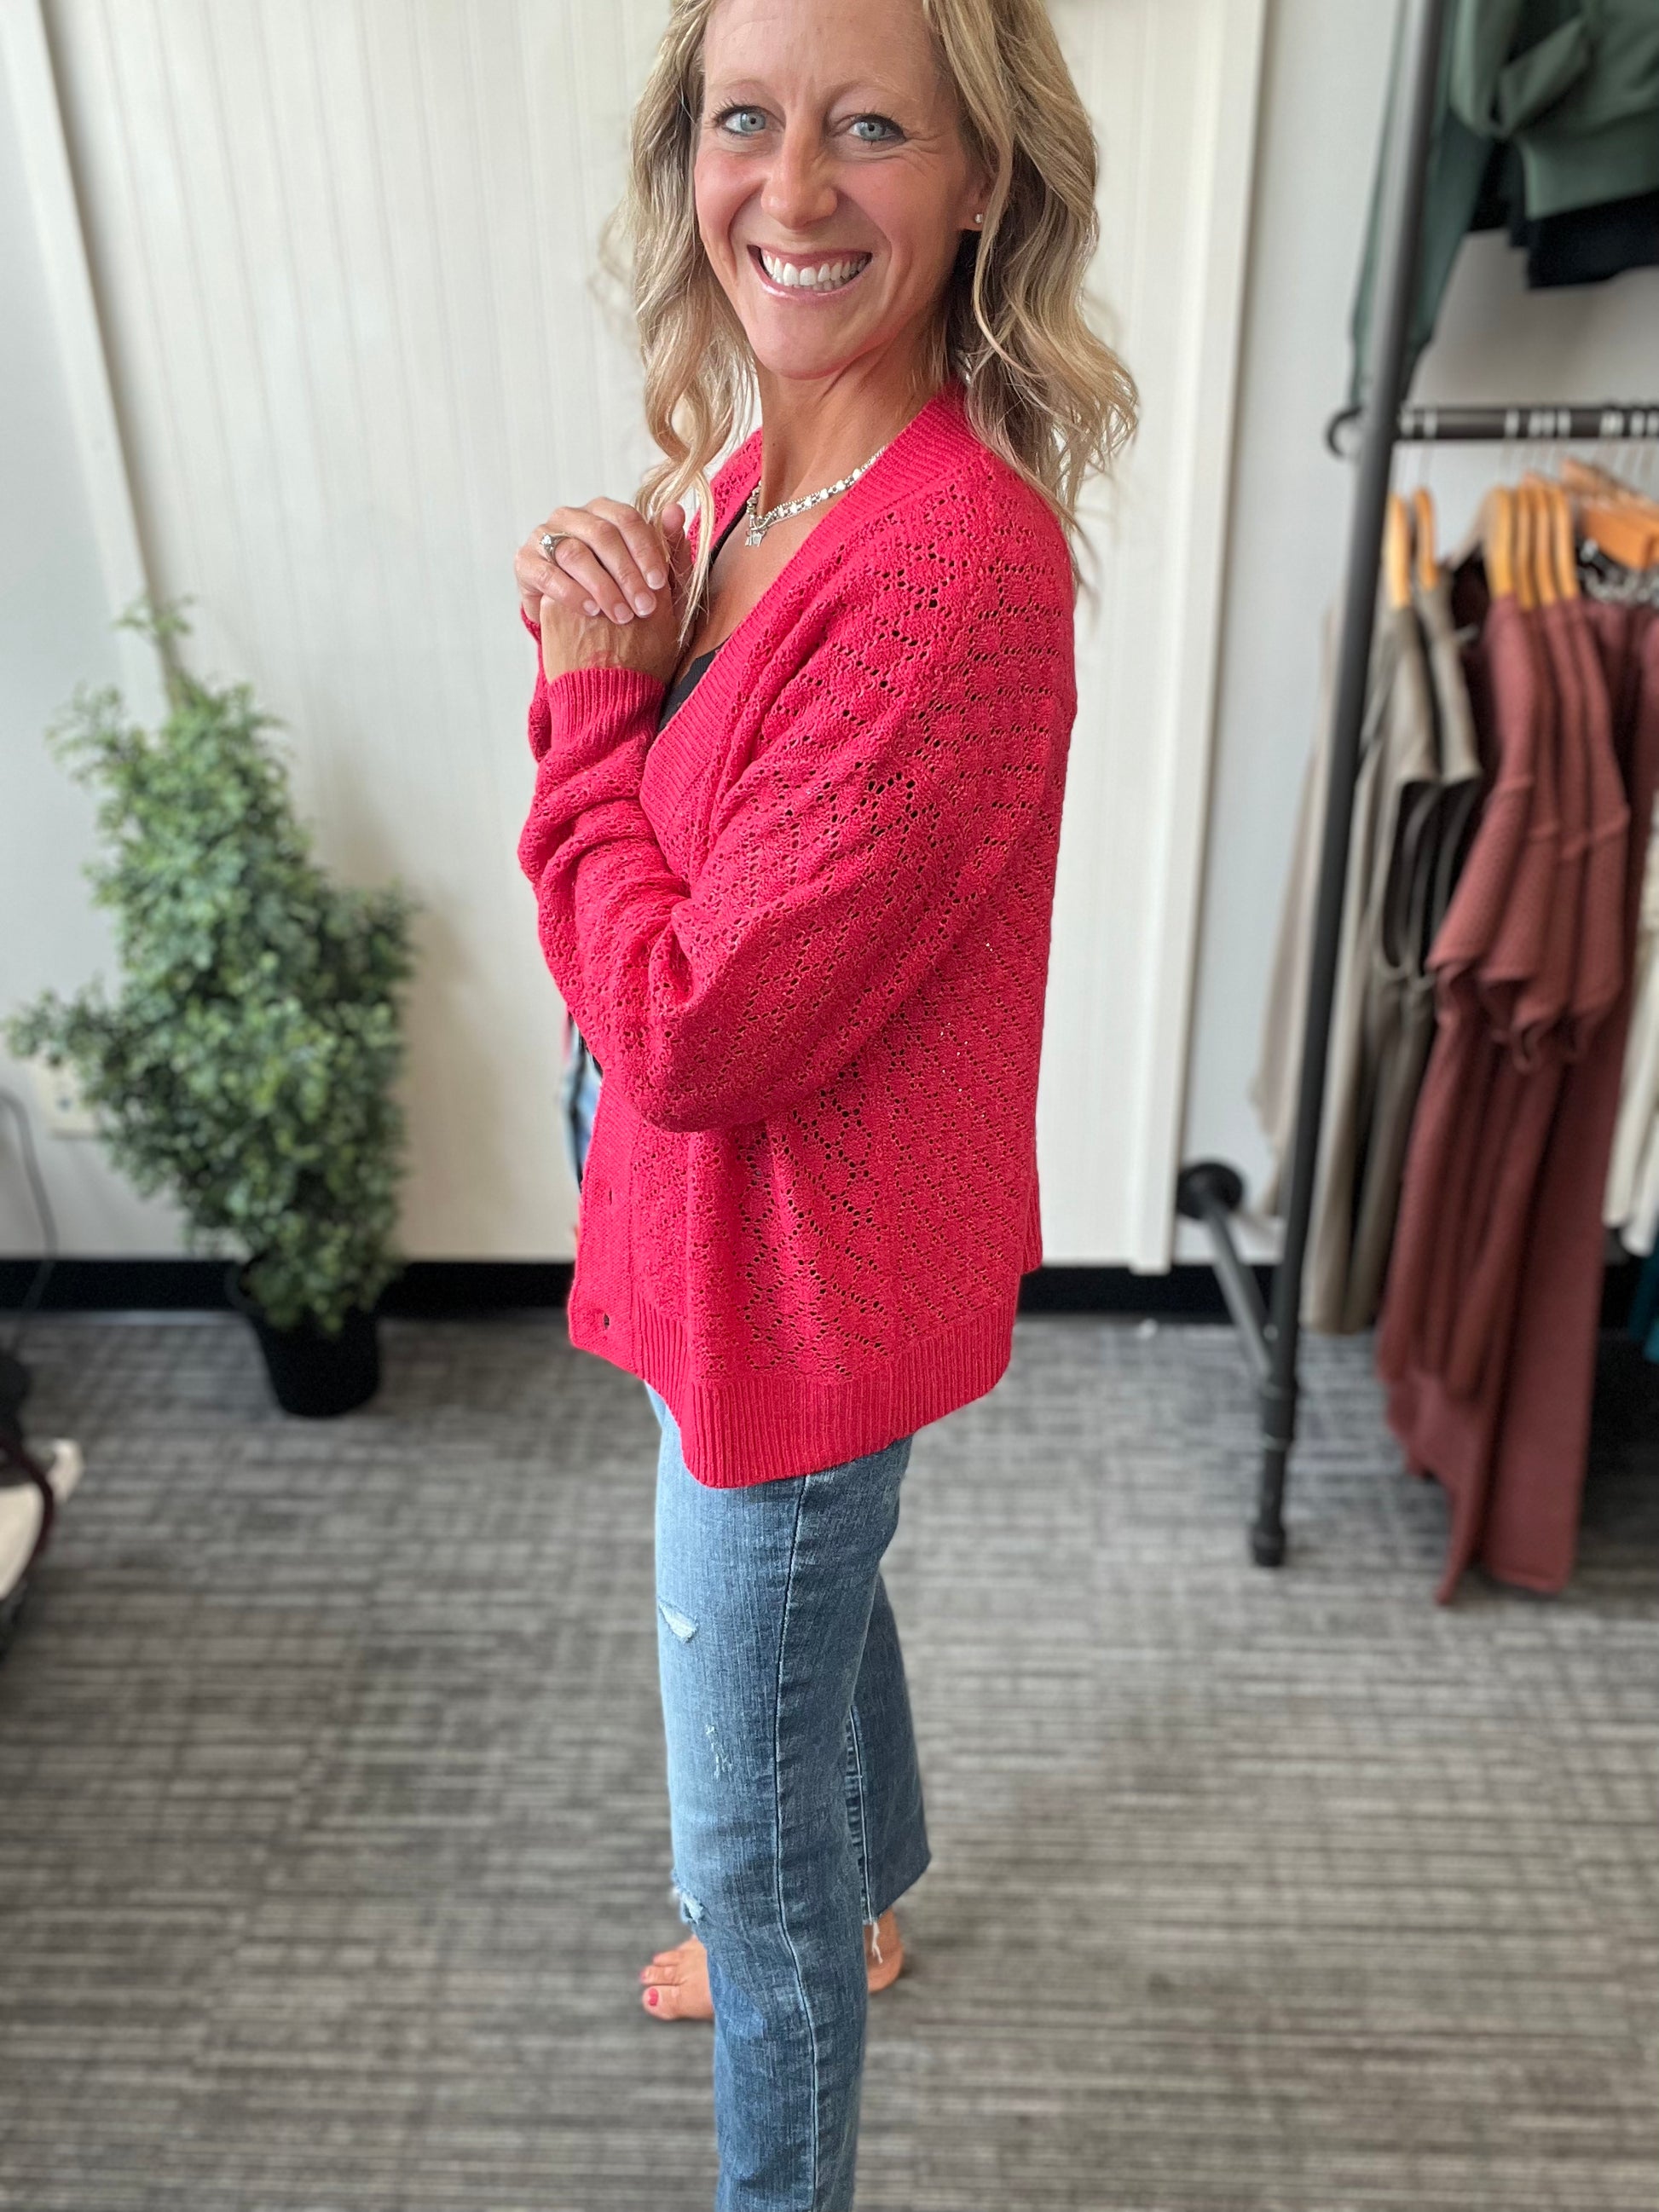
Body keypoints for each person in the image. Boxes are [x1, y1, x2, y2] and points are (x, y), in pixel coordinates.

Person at [513, 0, 1134, 2202]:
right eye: (742, 121)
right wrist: (618, 629)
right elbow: (690, 881)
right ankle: (873, 1888)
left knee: (744, 1872)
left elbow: (691, 1024)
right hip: (728, 1224)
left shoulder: (948, 568)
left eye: (868, 129)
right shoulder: (745, 480)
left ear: (979, 181)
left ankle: (810, 1939)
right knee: (821, 1596)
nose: (788, 189)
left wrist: (585, 716)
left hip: (790, 1269)